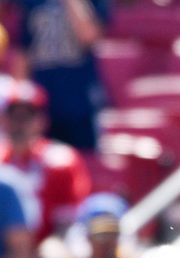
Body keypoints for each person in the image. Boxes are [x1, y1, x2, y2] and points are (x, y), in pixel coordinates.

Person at [8, 0, 110, 151]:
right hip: (43, 102)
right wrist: (19, 98)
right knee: (44, 163)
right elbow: (24, 52)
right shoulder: (31, 3)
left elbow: (89, 36)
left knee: (84, 161)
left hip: (80, 100)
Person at [0, 78, 91, 241]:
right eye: (13, 116)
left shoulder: (61, 162)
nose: (19, 125)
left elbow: (69, 225)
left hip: (50, 254)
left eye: (27, 117)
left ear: (42, 121)